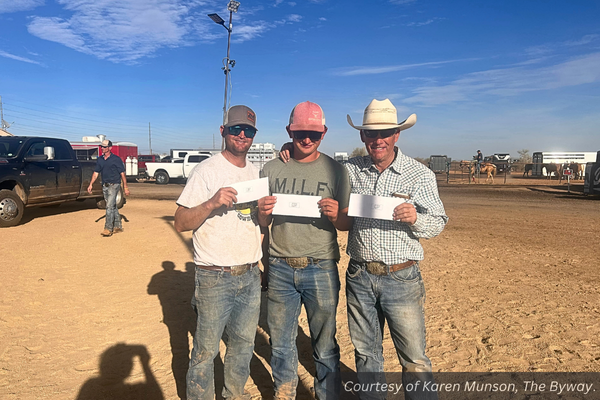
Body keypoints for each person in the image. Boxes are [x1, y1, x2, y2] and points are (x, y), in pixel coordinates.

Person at [344, 99, 448, 400]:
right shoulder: (350, 170)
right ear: (362, 136)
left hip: (401, 277)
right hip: (360, 275)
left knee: (413, 358)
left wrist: (416, 218)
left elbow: (438, 223)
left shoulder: (419, 174)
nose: (378, 140)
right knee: (366, 356)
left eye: (385, 132)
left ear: (396, 135)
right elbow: (317, 167)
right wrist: (288, 151)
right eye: (371, 134)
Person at [258, 101, 351, 400]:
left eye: (314, 133)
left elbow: (345, 224)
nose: (307, 139)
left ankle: (327, 395)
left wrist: (337, 214)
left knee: (325, 344)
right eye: (300, 134)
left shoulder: (337, 171)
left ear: (324, 132)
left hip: (321, 265)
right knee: (281, 342)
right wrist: (262, 212)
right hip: (281, 266)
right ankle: (285, 393)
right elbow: (262, 221)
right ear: (289, 132)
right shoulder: (272, 168)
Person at [174, 105, 265, 400]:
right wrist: (211, 203)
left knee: (242, 347)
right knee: (205, 351)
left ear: (253, 136)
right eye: (236, 129)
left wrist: (265, 213)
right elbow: (180, 223)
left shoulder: (255, 173)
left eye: (248, 131)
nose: (242, 134)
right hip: (215, 277)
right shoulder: (207, 171)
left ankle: (233, 395)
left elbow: (261, 223)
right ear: (223, 131)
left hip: (250, 275)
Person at [87, 139, 130, 237]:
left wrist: (126, 187)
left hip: (114, 185)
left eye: (105, 147)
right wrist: (91, 184)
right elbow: (96, 173)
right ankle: (118, 225)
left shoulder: (116, 159)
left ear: (110, 148)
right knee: (112, 206)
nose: (102, 148)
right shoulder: (100, 160)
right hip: (105, 185)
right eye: (102, 146)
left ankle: (108, 228)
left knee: (109, 206)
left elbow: (122, 174)